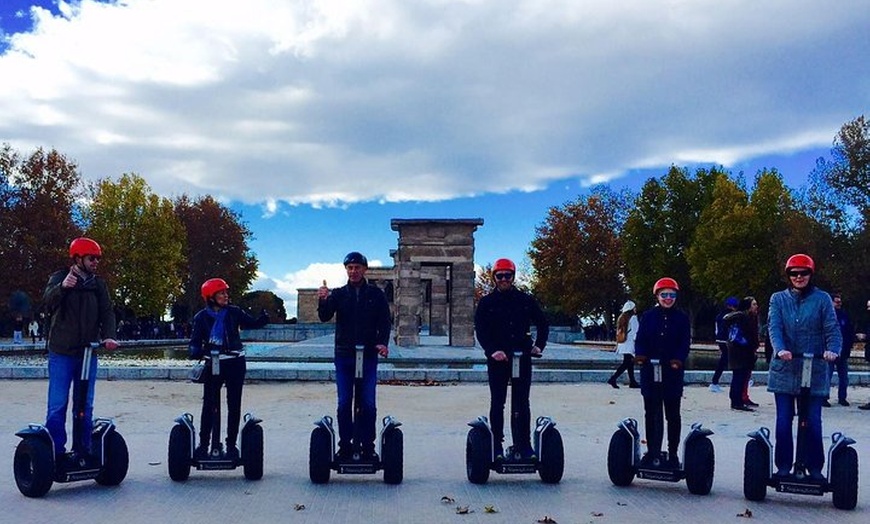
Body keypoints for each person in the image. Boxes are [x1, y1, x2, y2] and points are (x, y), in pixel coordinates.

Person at [42, 237, 118, 464]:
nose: (96, 262)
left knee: (85, 404)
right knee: (58, 404)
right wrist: (61, 288)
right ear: (77, 258)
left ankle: (83, 450)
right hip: (62, 351)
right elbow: (46, 303)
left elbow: (107, 312)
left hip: (88, 353)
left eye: (97, 259)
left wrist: (109, 336)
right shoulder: (59, 278)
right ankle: (54, 453)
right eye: (91, 258)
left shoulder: (98, 285)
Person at [767, 254, 841, 480]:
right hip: (785, 368)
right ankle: (782, 466)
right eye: (794, 273)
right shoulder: (778, 299)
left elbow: (832, 329)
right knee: (783, 420)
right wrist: (780, 349)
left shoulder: (822, 299)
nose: (799, 277)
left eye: (803, 273)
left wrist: (833, 350)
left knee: (813, 422)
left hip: (815, 368)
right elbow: (774, 327)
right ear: (788, 276)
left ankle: (815, 467)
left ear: (811, 274)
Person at [318, 252, 391, 461]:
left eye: (357, 267)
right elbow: (324, 317)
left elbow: (384, 322)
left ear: (364, 269)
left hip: (368, 355)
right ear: (346, 270)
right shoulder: (339, 294)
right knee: (344, 403)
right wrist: (323, 300)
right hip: (344, 355)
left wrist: (382, 343)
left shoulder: (376, 295)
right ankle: (346, 444)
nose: (354, 271)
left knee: (367, 402)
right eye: (350, 268)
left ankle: (368, 445)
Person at [474, 258, 549, 460]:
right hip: (498, 358)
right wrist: (492, 351)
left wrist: (539, 345)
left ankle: (523, 445)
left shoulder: (525, 300)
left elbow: (542, 323)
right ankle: (496, 444)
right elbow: (481, 331)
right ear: (494, 278)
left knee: (522, 402)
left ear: (513, 277)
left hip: (521, 356)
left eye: (508, 275)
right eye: (500, 276)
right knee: (498, 402)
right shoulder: (487, 303)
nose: (504, 279)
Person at [188, 278, 268, 460]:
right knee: (209, 404)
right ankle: (204, 444)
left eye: (225, 292)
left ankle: (231, 445)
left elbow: (252, 323)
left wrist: (263, 318)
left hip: (235, 362)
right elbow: (194, 342)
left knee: (234, 404)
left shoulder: (234, 312)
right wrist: (195, 350)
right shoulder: (201, 318)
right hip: (213, 363)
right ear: (211, 297)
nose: (226, 295)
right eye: (221, 293)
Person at [634, 277, 691, 468]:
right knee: (651, 412)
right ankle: (652, 452)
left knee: (673, 414)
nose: (668, 298)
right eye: (664, 295)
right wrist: (640, 355)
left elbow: (684, 343)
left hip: (672, 372)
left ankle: (673, 453)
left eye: (671, 295)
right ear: (657, 296)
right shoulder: (649, 316)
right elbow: (640, 338)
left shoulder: (682, 318)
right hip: (650, 371)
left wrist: (678, 359)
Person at [725, 296, 760, 411]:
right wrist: (748, 345)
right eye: (754, 304)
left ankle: (738, 400)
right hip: (740, 352)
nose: (756, 307)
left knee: (741, 376)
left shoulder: (748, 317)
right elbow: (740, 336)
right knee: (739, 376)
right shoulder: (742, 317)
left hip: (743, 351)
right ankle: (737, 402)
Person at [825, 293, 853, 407]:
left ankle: (842, 397)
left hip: (843, 352)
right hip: (830, 351)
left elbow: (849, 332)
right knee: (827, 376)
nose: (839, 304)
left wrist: (847, 347)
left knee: (844, 377)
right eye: (837, 302)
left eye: (839, 302)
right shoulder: (827, 316)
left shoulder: (844, 315)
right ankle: (824, 397)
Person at [607, 300, 640, 389]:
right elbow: (635, 332)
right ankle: (613, 378)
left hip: (623, 344)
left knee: (629, 363)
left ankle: (632, 381)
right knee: (627, 363)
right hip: (630, 344)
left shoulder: (622, 318)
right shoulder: (633, 318)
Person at [710, 297, 739, 392]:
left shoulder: (719, 316)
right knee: (727, 361)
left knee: (725, 360)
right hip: (727, 341)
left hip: (720, 340)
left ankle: (715, 382)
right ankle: (714, 382)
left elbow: (716, 329)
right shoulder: (732, 316)